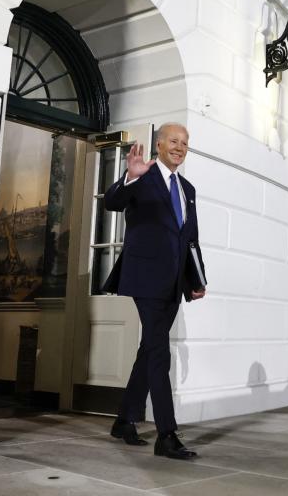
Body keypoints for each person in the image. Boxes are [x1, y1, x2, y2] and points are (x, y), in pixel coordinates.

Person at [103, 122, 208, 460]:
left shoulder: (187, 188)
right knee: (160, 351)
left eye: (185, 143)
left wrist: (196, 279)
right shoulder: (142, 175)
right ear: (159, 144)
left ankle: (123, 420)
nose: (180, 147)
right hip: (145, 277)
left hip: (175, 281)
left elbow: (189, 238)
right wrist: (129, 177)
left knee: (149, 349)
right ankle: (167, 434)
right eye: (173, 141)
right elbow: (113, 203)